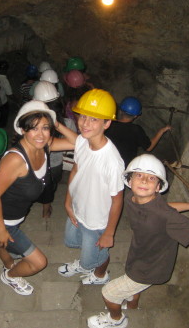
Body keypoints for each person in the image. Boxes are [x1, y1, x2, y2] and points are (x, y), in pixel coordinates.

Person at [87, 154, 189, 328]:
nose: (143, 181)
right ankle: (132, 306)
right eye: (139, 175)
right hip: (140, 254)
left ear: (158, 187)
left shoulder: (165, 216)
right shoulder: (132, 199)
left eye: (151, 178)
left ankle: (116, 320)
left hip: (152, 267)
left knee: (109, 293)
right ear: (129, 180)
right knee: (130, 281)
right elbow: (169, 207)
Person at [0, 100, 78, 296]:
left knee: (7, 248)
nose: (40, 134)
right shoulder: (16, 159)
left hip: (14, 217)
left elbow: (78, 143)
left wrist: (55, 122)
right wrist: (0, 229)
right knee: (39, 262)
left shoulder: (44, 145)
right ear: (23, 130)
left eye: (45, 128)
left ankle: (8, 265)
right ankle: (10, 276)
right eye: (33, 129)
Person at [58, 89, 125, 286]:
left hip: (97, 222)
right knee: (79, 243)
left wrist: (109, 233)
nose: (85, 123)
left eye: (94, 119)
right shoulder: (83, 142)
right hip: (79, 210)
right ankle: (86, 262)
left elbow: (117, 199)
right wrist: (68, 201)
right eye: (83, 116)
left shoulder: (112, 162)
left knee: (99, 252)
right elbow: (75, 170)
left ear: (107, 123)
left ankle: (100, 274)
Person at [105, 96, 171, 167]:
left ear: (120, 110)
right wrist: (161, 131)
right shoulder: (136, 130)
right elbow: (149, 147)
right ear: (135, 116)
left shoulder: (108, 124)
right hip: (123, 167)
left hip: (104, 161)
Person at [33, 81, 64, 218]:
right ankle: (46, 211)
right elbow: (76, 142)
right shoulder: (66, 123)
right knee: (51, 186)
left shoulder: (31, 124)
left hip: (36, 162)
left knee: (39, 184)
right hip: (56, 165)